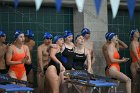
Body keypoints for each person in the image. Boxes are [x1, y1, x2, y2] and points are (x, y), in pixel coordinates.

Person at [129, 29, 140, 93]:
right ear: (133, 35)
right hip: (135, 64)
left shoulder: (138, 42)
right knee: (135, 82)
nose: (138, 33)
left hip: (138, 63)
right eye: (137, 32)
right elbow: (136, 56)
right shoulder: (133, 43)